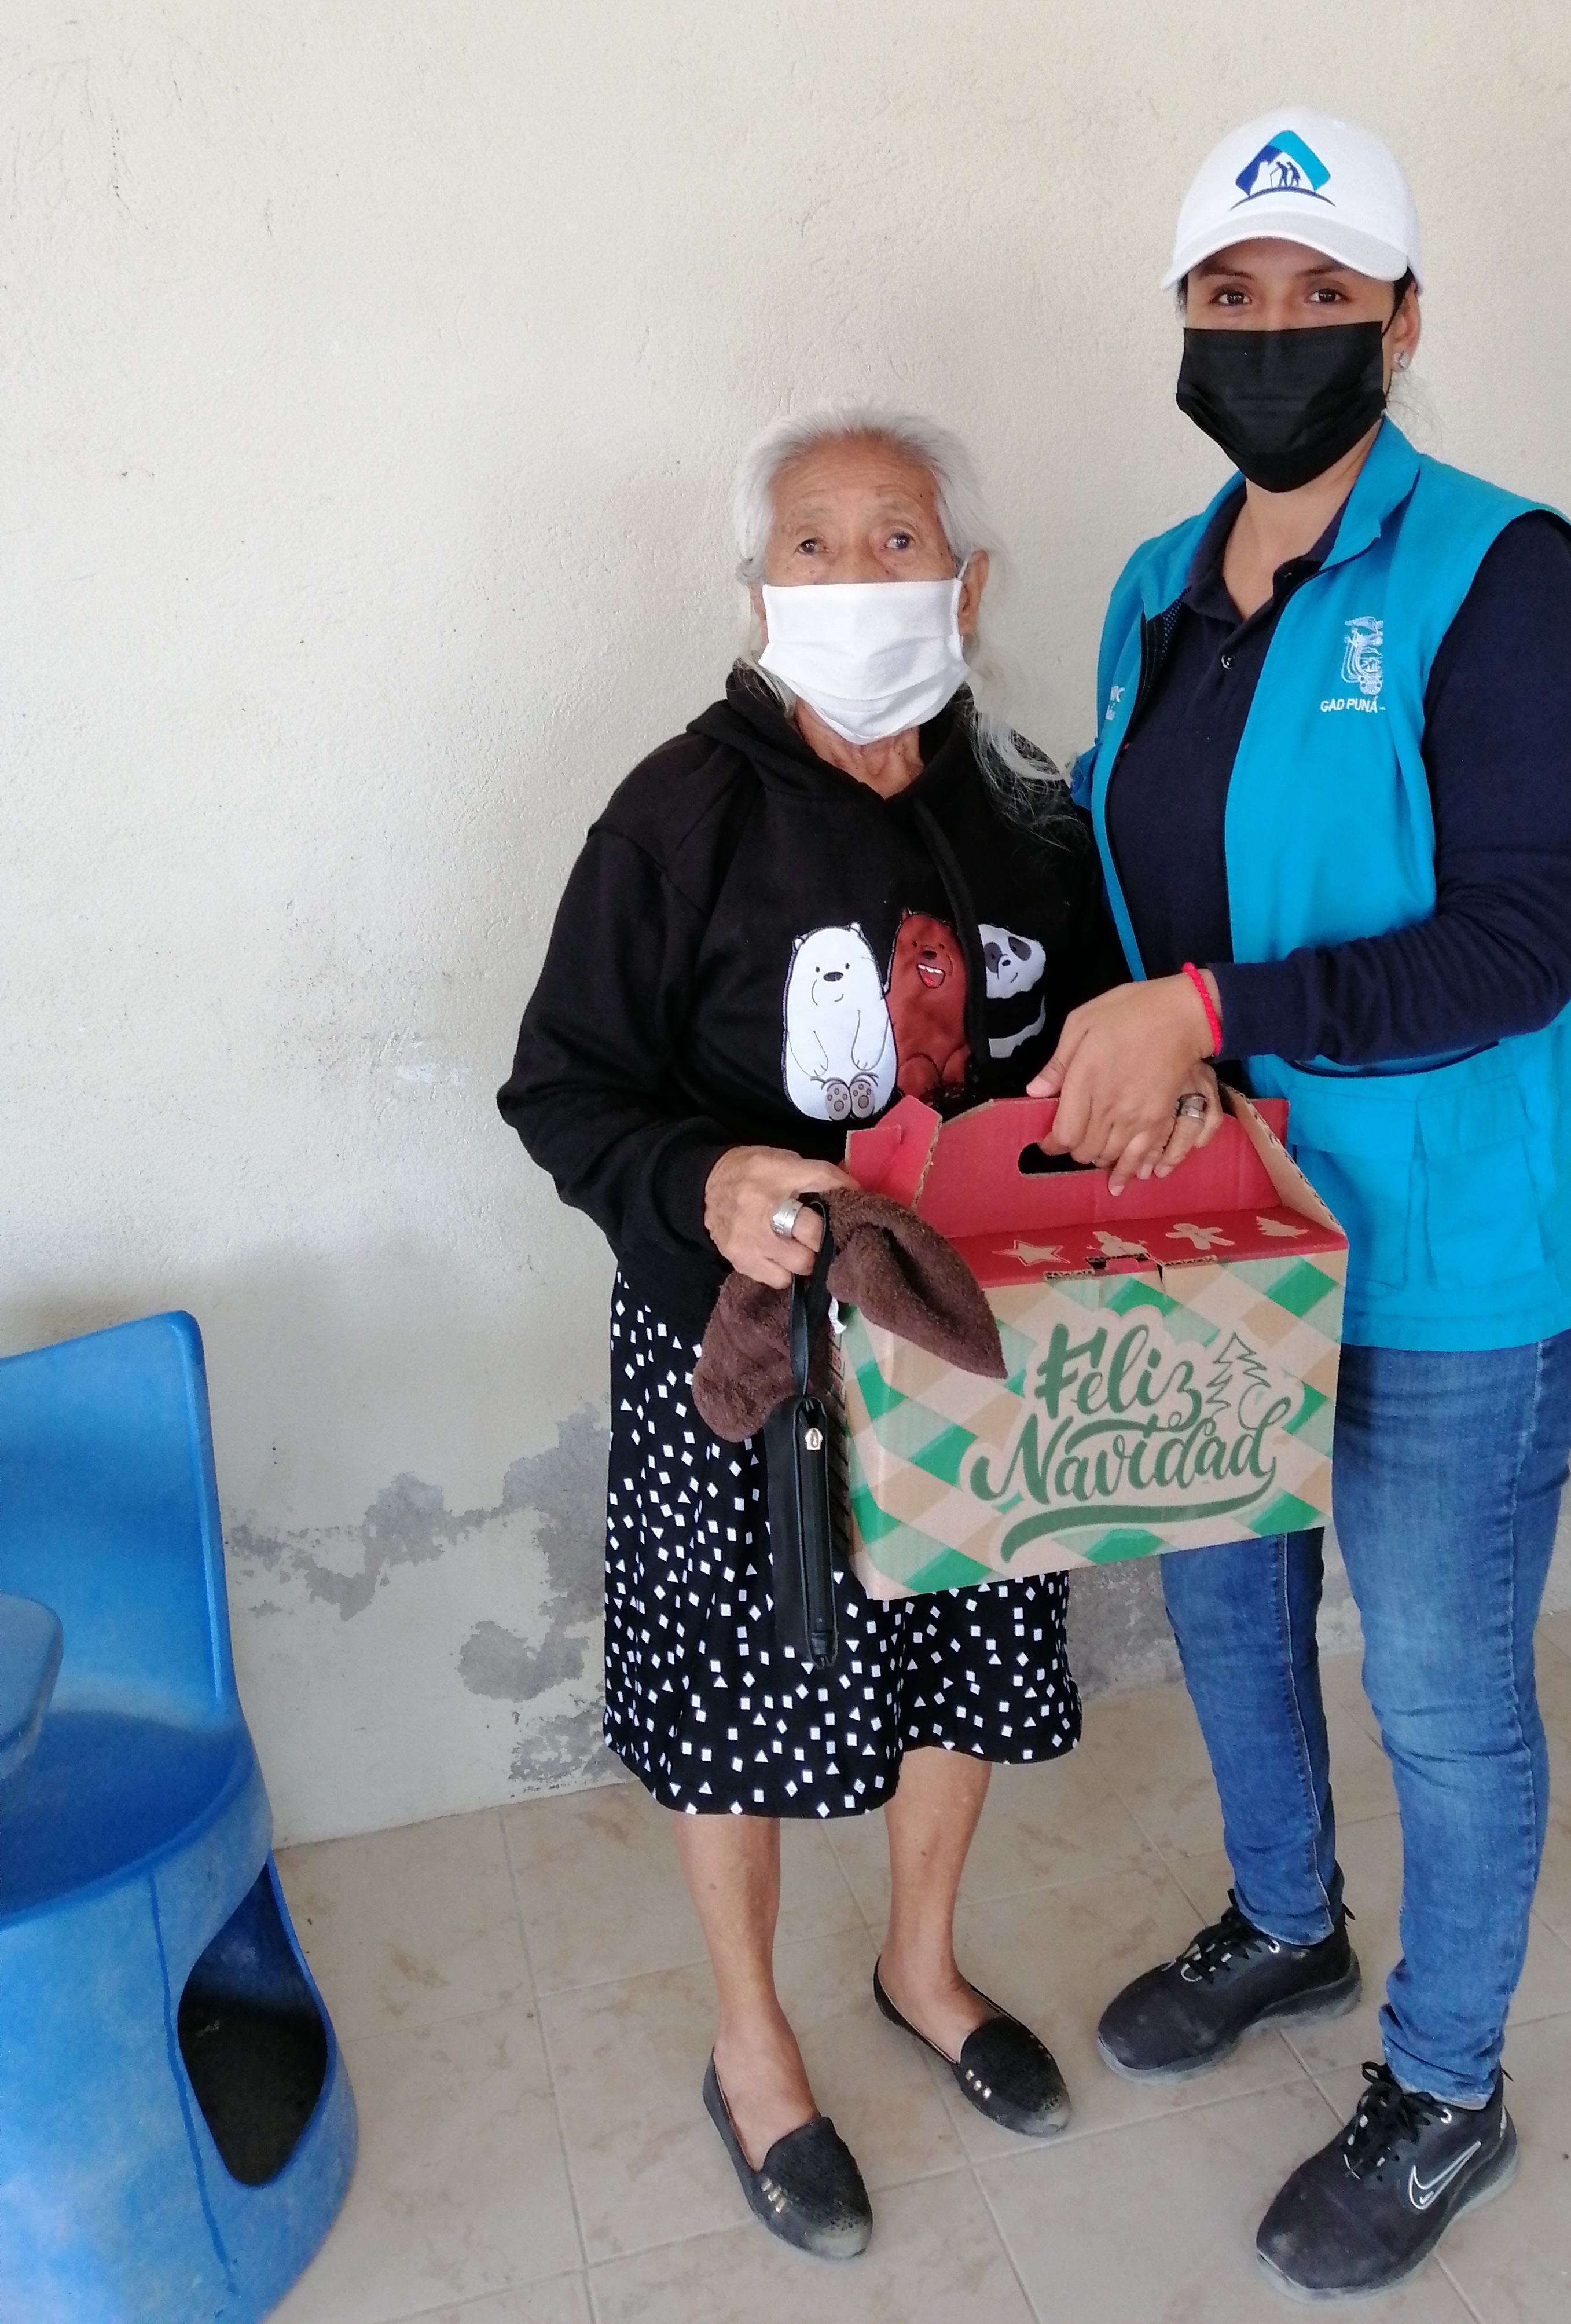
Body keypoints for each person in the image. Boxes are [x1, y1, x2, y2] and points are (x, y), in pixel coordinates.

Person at [1030, 108, 1571, 2298]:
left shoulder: (1502, 574)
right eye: (1230, 294)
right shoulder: (1149, 593)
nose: (1271, 330)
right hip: (1211, 1228)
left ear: (1400, 318)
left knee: (1443, 1691)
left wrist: (1209, 1008)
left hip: (1451, 1249)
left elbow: (1515, 949)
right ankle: (1287, 1921)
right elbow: (1128, 884)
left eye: (1319, 293)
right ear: (1184, 321)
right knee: (1225, 1607)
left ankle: (1448, 2085)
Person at [498, 408, 1159, 2260]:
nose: (858, 573)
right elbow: (561, 1087)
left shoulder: (1032, 816)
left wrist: (1152, 1109)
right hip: (747, 1353)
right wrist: (699, 1178)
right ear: (757, 590)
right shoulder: (675, 813)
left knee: (960, 1651)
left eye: (898, 537)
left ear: (970, 583)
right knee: (740, 1694)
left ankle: (921, 1967)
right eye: (814, 541)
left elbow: (1099, 1044)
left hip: (966, 1337)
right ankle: (752, 2041)